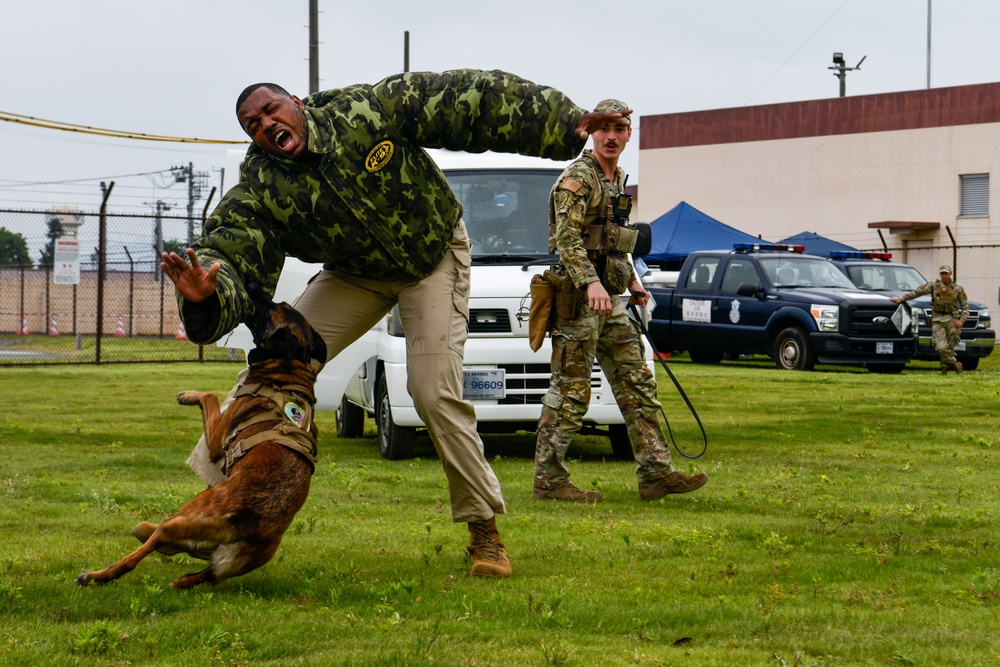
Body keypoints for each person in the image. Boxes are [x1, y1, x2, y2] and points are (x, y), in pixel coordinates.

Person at [160, 70, 630, 579]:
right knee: (265, 376)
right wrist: (209, 294)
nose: (266, 124)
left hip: (431, 259)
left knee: (431, 392)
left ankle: (483, 532)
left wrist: (560, 122)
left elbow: (469, 100)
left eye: (272, 110)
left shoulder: (364, 110)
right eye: (253, 124)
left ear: (296, 102)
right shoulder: (262, 183)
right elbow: (230, 246)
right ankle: (216, 511)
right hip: (356, 276)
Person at [532, 99, 709, 503]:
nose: (611, 137)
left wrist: (632, 281)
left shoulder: (617, 179)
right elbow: (568, 240)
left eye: (619, 129)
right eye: (603, 128)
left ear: (629, 134)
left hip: (610, 300)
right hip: (578, 300)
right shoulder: (578, 177)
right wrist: (591, 283)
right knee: (571, 393)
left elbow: (614, 241)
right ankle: (549, 481)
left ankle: (656, 474)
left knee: (638, 384)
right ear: (591, 132)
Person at [891, 265, 969, 375]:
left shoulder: (958, 288)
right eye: (942, 273)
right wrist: (902, 298)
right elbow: (918, 292)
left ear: (950, 274)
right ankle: (955, 364)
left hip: (952, 320)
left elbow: (965, 306)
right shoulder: (933, 286)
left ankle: (944, 369)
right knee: (940, 346)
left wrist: (962, 320)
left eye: (946, 273)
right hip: (938, 319)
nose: (944, 276)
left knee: (950, 346)